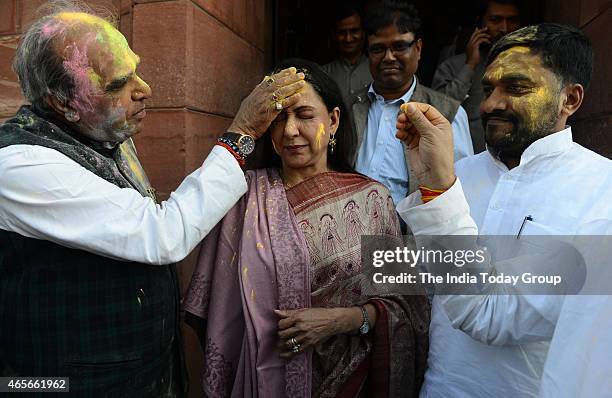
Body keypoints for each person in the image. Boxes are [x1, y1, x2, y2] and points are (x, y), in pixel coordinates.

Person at [0, 3, 304, 396]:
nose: (145, 89)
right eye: (119, 84)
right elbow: (161, 233)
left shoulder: (103, 132)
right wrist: (241, 134)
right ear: (62, 103)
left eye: (137, 69)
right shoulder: (21, 165)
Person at [183, 59, 430, 398]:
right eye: (279, 117)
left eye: (304, 115)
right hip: (263, 384)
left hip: (353, 382)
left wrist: (342, 320)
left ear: (333, 121)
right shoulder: (242, 198)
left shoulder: (372, 200)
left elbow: (406, 308)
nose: (289, 130)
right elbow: (214, 311)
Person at [396, 24, 612, 397]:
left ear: (570, 99)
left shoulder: (601, 192)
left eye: (516, 88)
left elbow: (489, 314)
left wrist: (438, 191)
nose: (490, 105)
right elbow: (419, 287)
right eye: (488, 88)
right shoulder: (459, 173)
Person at [351, 1, 473, 208]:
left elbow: (462, 189)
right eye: (378, 49)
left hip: (412, 235)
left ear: (418, 48)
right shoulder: (350, 105)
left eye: (399, 46)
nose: (389, 57)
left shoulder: (446, 113)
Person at [432, 0, 521, 153]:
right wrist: (470, 65)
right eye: (495, 20)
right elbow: (439, 113)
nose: (505, 28)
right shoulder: (453, 66)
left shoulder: (530, 66)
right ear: (480, 23)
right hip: (465, 164)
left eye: (511, 20)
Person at [322, 2, 372, 110]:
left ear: (364, 32)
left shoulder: (377, 69)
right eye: (342, 32)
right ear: (334, 35)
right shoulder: (324, 74)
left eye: (354, 31)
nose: (348, 38)